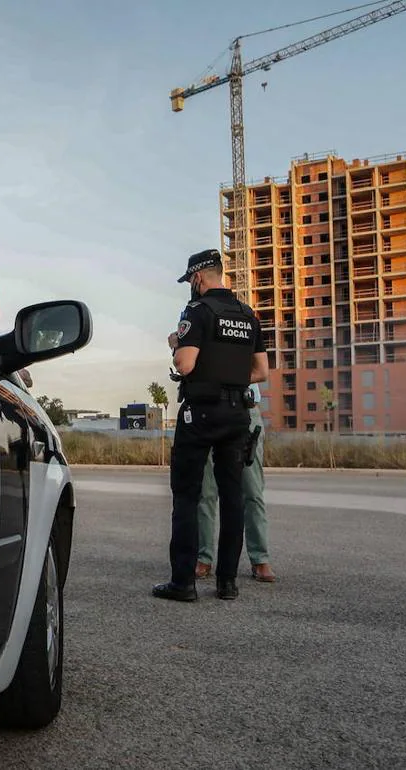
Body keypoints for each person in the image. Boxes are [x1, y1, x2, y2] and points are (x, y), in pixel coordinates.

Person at [152, 249, 268, 602]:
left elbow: (185, 365)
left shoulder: (197, 312)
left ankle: (182, 583)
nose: (190, 285)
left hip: (201, 413)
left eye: (190, 279)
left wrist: (176, 344)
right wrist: (230, 378)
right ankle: (227, 583)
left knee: (187, 496)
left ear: (199, 277)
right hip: (238, 415)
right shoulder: (248, 316)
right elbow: (261, 371)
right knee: (233, 497)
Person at [195, 388, 278, 583]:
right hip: (208, 411)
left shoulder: (251, 354)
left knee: (252, 491)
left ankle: (260, 558)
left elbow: (261, 370)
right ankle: (203, 557)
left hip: (245, 407)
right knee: (206, 492)